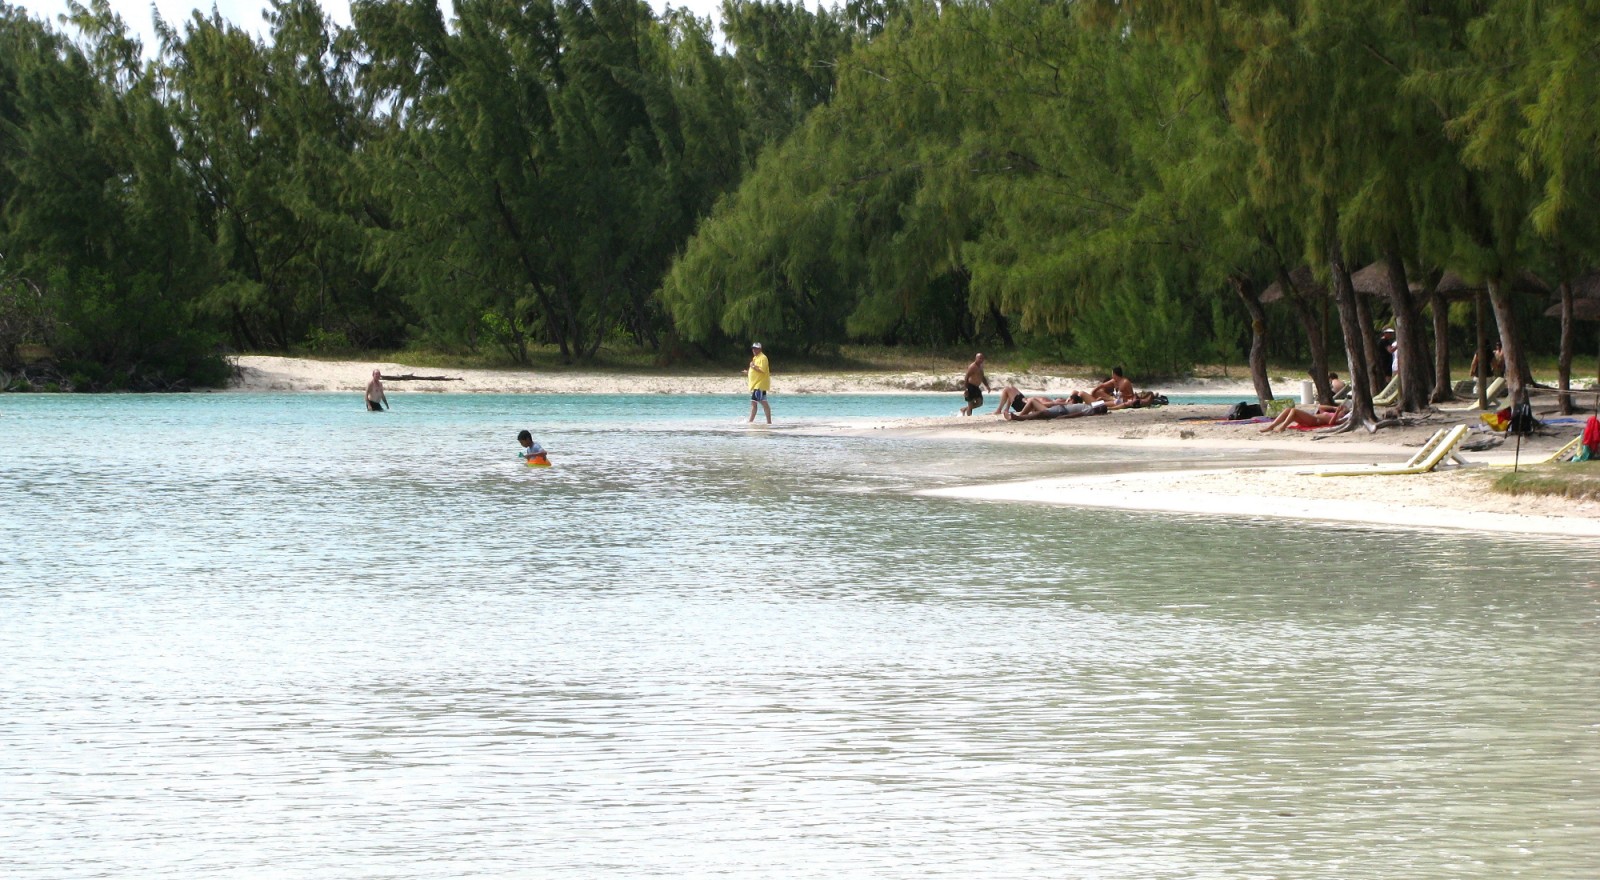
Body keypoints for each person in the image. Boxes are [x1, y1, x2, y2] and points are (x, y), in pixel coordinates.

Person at [1258, 400, 1350, 433]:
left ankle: (1282, 427)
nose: (1341, 410)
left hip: (1314, 421)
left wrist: (1337, 413)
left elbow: (1331, 423)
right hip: (1311, 418)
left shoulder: (1340, 418)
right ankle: (1271, 427)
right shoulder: (1334, 413)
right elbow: (1320, 407)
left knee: (1294, 410)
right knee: (1288, 410)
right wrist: (1334, 408)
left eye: (1343, 411)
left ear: (1344, 413)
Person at [1005, 397, 1107, 421]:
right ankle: (1019, 416)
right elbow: (1100, 402)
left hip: (1062, 411)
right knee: (1033, 402)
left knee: (1043, 413)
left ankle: (1018, 418)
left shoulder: (1091, 410)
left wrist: (1064, 417)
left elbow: (1078, 414)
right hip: (1060, 408)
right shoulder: (1091, 407)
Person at [745, 342, 772, 424]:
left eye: (756, 348)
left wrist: (753, 367)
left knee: (754, 402)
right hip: (757, 384)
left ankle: (750, 422)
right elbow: (756, 370)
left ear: (760, 349)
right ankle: (769, 422)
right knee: (763, 402)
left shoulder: (763, 358)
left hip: (759, 384)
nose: (754, 350)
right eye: (753, 348)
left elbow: (762, 370)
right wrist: (749, 371)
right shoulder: (756, 357)